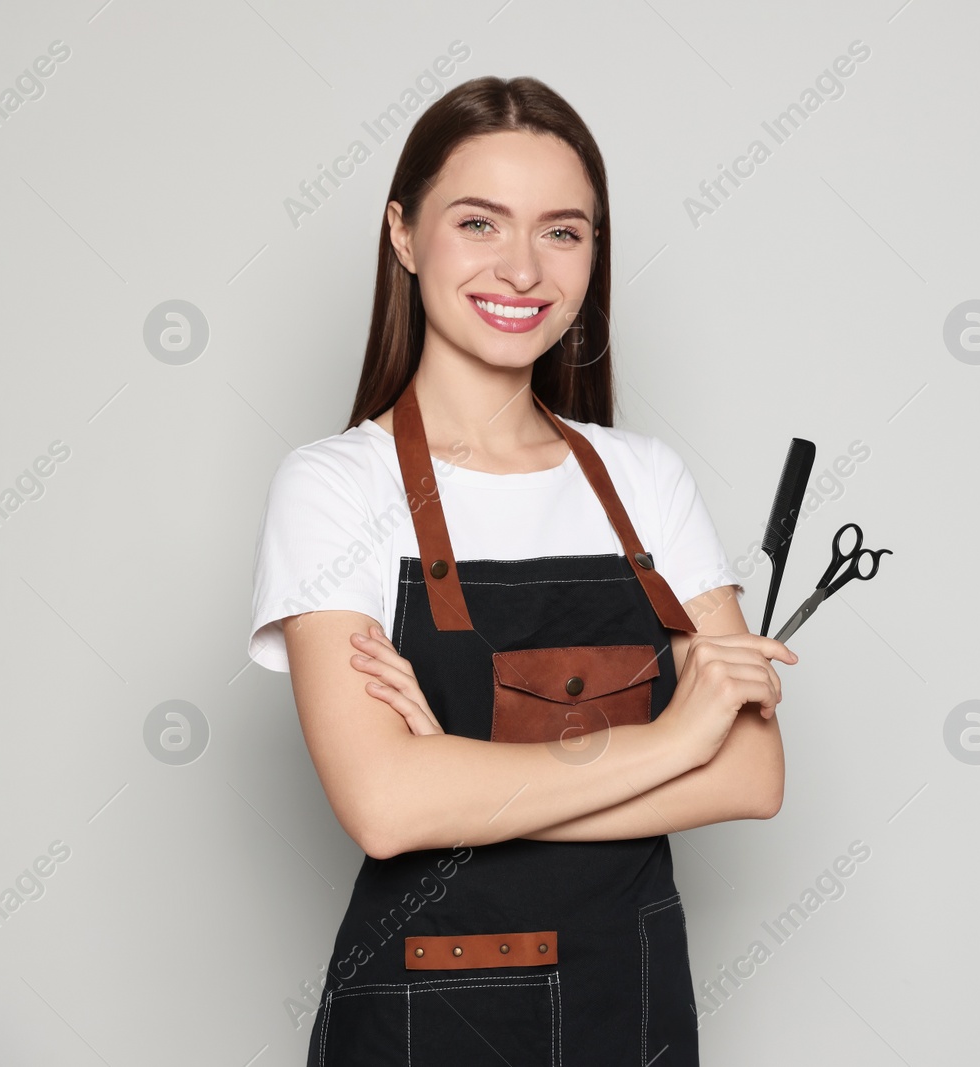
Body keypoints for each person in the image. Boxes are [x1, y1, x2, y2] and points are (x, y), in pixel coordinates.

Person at [247, 75, 795, 1066]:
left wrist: (463, 788)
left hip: (628, 1009)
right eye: (478, 222)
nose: (522, 267)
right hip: (422, 1012)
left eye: (563, 231)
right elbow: (385, 808)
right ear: (404, 235)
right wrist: (678, 736)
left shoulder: (644, 478)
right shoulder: (334, 486)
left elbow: (753, 774)